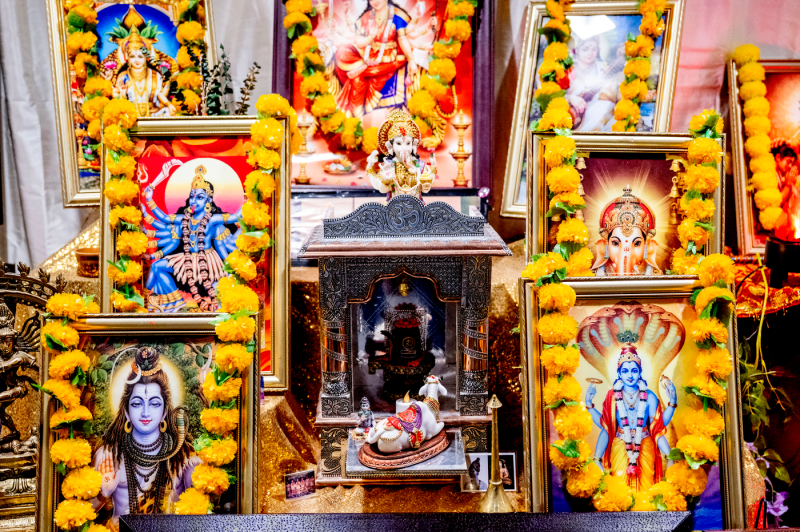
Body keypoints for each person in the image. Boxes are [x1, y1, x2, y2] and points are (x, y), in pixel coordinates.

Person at [93, 347, 199, 527]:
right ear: (126, 411)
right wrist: (103, 493)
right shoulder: (108, 455)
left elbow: (203, 515)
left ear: (165, 411)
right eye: (136, 403)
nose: (145, 412)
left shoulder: (183, 458)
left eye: (155, 403)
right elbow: (80, 513)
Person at [140, 165, 241, 311]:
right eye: (192, 196)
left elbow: (235, 219)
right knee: (156, 266)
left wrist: (249, 200)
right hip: (186, 260)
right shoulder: (183, 220)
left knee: (219, 287)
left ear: (208, 201)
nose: (194, 200)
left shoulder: (213, 220)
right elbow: (163, 218)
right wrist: (148, 201)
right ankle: (148, 301)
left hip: (209, 263)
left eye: (200, 197)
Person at [584, 345, 677, 492]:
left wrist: (672, 403)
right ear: (619, 374)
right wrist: (597, 459)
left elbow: (658, 427)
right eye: (625, 371)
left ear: (640, 372)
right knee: (620, 489)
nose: (630, 375)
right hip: (620, 445)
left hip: (645, 445)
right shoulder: (613, 397)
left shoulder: (649, 396)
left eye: (634, 370)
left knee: (646, 489)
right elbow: (606, 427)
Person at [333, 0, 419, 116]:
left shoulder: (397, 16)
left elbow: (402, 39)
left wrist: (411, 60)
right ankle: (361, 68)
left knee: (357, 78)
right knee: (341, 53)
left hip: (387, 61)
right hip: (367, 55)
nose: (375, 1)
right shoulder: (368, 16)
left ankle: (356, 114)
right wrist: (348, 19)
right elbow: (356, 38)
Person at [590, 186, 661, 276]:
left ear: (648, 245)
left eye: (637, 243)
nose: (625, 251)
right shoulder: (597, 274)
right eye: (615, 243)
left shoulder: (654, 274)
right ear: (604, 245)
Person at [366, 110, 434, 200]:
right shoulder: (388, 166)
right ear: (391, 147)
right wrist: (386, 178)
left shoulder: (420, 165)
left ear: (413, 145)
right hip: (394, 210)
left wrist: (432, 167)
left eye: (408, 143)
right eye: (398, 144)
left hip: (417, 210)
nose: (404, 147)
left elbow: (425, 189)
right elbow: (382, 189)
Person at [110, 27, 175, 117]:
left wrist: (168, 104)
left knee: (168, 112)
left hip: (153, 113)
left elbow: (159, 93)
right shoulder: (123, 76)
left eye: (140, 56)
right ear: (127, 58)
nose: (137, 60)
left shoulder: (155, 75)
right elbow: (116, 95)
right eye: (132, 56)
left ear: (146, 58)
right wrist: (122, 94)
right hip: (130, 115)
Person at [565, 37, 626, 131]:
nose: (590, 53)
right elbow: (553, 96)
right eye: (585, 49)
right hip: (571, 119)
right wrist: (570, 98)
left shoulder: (605, 68)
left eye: (594, 49)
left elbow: (618, 96)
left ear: (599, 50)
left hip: (601, 123)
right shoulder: (568, 71)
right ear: (577, 51)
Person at [771, 139, 800, 241]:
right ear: (778, 157)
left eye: (792, 163)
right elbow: (776, 202)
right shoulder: (771, 174)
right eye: (788, 162)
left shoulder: (779, 175)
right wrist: (788, 184)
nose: (790, 166)